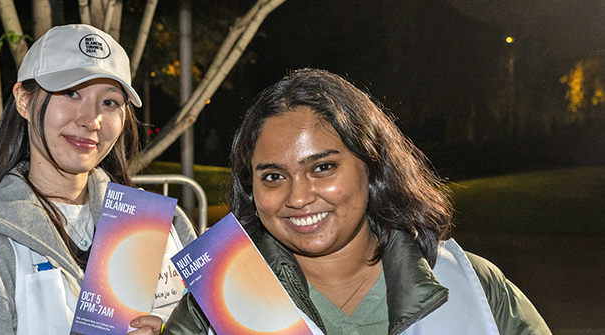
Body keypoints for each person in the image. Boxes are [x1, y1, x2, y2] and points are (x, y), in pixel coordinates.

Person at [162, 68, 551, 335]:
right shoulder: (211, 306)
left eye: (323, 167)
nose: (298, 197)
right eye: (273, 176)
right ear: (251, 190)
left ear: (372, 166)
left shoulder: (476, 287)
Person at [0, 24, 198, 335]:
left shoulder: (162, 225)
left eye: (110, 102)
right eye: (70, 93)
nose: (91, 120)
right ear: (23, 101)